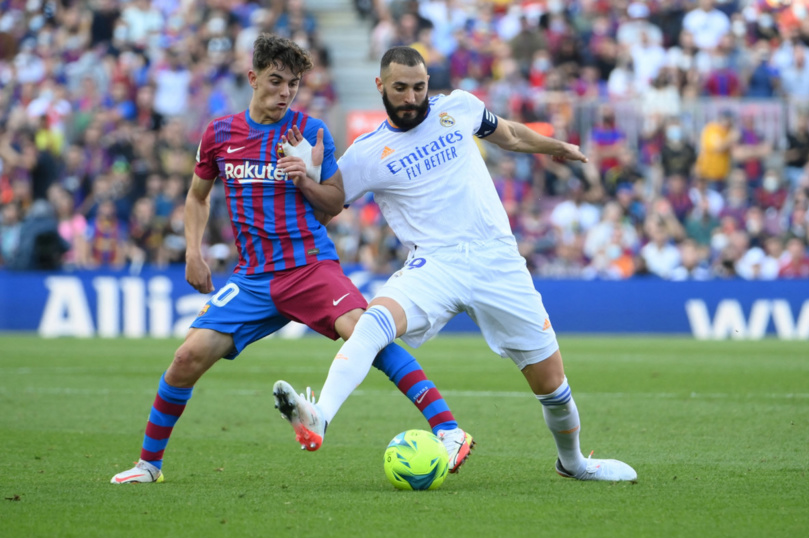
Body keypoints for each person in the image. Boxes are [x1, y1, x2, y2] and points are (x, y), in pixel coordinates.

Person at [110, 35, 472, 485]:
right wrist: (192, 250)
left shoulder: (310, 132)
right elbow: (197, 197)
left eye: (293, 84)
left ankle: (449, 429)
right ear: (253, 77)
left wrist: (305, 176)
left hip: (309, 266)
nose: (285, 92)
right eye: (276, 81)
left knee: (366, 335)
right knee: (186, 358)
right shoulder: (220, 135)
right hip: (253, 279)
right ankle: (149, 465)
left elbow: (335, 202)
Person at [273, 46, 637, 482]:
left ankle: (574, 463)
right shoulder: (367, 153)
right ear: (381, 87)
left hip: (497, 260)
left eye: (419, 87)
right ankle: (320, 417)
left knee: (553, 389)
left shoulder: (458, 107)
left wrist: (556, 147)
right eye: (401, 88)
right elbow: (327, 206)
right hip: (435, 265)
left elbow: (512, 135)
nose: (411, 97)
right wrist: (308, 177)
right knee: (373, 323)